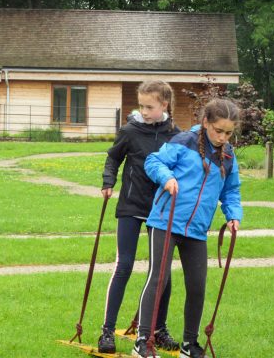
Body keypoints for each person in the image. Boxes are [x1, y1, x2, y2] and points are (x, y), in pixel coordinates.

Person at [132, 99, 243, 358]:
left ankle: (189, 345)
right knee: (158, 279)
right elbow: (153, 162)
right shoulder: (184, 141)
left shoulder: (228, 155)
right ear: (206, 123)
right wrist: (166, 177)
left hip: (196, 230)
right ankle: (144, 342)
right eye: (218, 131)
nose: (222, 137)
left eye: (228, 133)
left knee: (197, 286)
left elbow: (231, 191)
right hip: (165, 221)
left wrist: (233, 215)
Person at [98, 80, 181, 354]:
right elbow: (113, 158)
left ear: (164, 105)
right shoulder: (130, 131)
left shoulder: (175, 134)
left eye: (150, 106)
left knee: (161, 272)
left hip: (160, 208)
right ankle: (107, 331)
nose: (144, 111)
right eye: (141, 105)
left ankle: (158, 329)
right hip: (131, 205)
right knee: (125, 264)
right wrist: (108, 181)